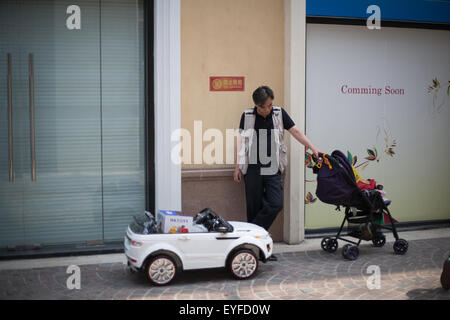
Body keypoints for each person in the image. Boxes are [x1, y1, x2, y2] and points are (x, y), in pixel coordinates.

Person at [234, 86, 321, 261]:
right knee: (253, 207)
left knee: (276, 203)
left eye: (269, 105)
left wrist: (312, 147)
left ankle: (248, 238)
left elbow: (295, 131)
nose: (266, 110)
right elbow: (242, 141)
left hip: (273, 167)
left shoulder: (279, 113)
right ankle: (257, 250)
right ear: (256, 106)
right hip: (252, 168)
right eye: (262, 107)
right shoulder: (247, 116)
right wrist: (237, 167)